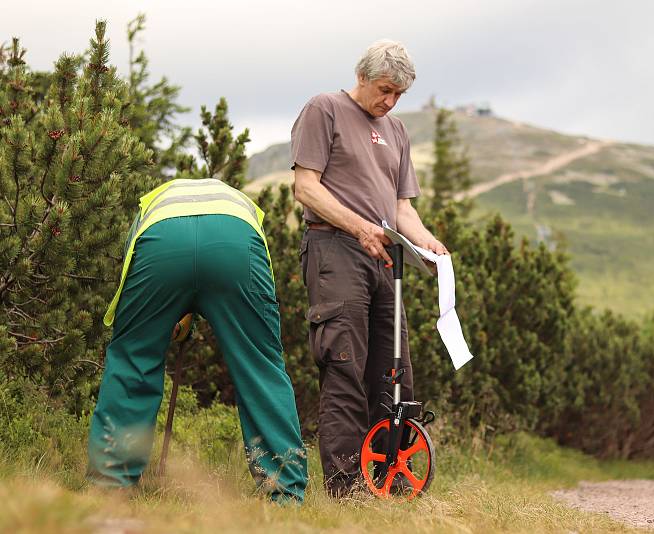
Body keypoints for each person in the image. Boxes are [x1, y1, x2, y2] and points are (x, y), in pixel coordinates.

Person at [86, 177, 307, 502]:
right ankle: (283, 490)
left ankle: (110, 484)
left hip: (161, 242)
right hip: (235, 240)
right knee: (260, 367)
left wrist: (174, 314)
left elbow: (147, 285)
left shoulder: (151, 204)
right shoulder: (241, 205)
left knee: (133, 359)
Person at [291, 39, 447, 496]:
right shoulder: (325, 109)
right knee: (344, 365)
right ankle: (346, 490)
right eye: (384, 90)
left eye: (399, 94)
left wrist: (428, 244)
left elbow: (402, 208)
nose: (390, 101)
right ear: (362, 76)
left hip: (386, 257)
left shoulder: (396, 130)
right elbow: (306, 188)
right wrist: (360, 227)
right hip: (335, 249)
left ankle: (391, 482)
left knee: (394, 371)